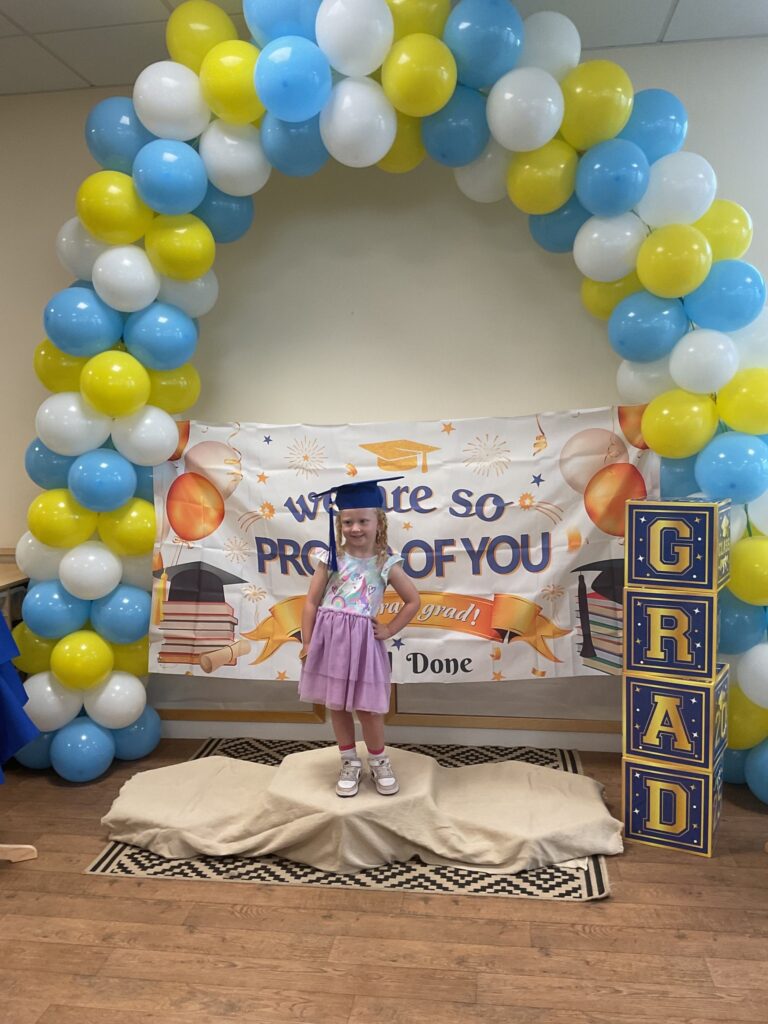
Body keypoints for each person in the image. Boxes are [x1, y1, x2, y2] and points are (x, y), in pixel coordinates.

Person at [298, 477, 420, 798]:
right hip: (330, 641)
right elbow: (311, 602)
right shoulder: (331, 558)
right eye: (348, 521)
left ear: (378, 521)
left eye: (363, 521)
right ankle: (349, 760)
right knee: (337, 706)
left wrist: (391, 629)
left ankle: (379, 760)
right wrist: (308, 641)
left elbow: (413, 600)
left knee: (367, 709)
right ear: (339, 524)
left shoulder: (385, 562)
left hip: (363, 644)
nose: (355, 528)